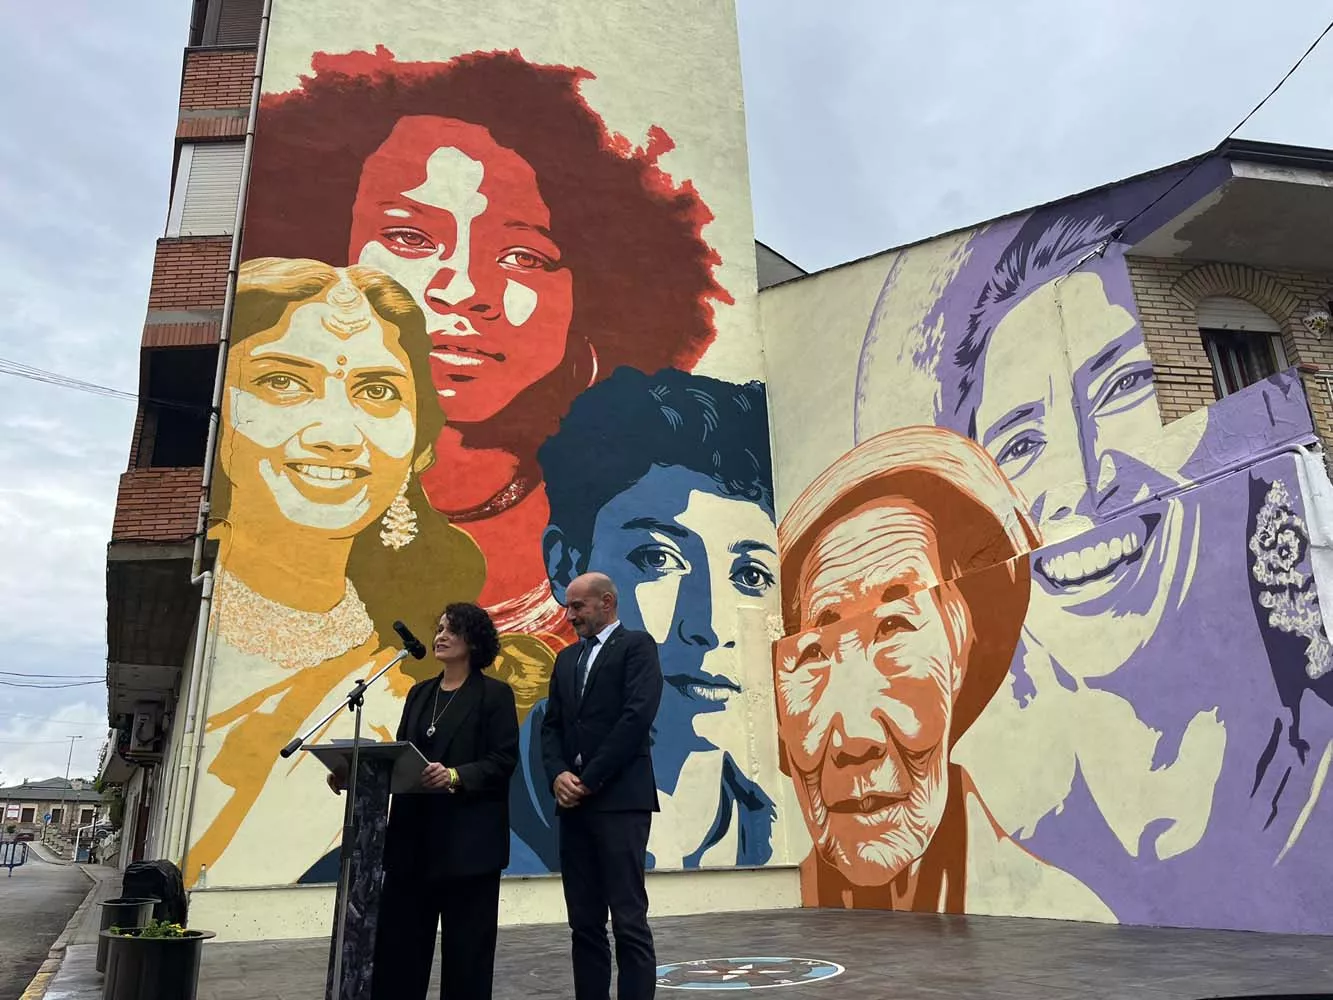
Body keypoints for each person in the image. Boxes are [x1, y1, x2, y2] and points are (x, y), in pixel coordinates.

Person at [242, 48, 732, 716]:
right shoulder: (273, 501)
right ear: (334, 250)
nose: (466, 288)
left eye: (522, 255)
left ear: (580, 300)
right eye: (411, 237)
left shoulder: (645, 517)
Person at [187, 258, 482, 888]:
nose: (336, 435)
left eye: (377, 392)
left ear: (419, 445)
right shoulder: (192, 621)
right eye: (283, 383)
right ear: (219, 419)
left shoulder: (397, 680)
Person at [775, 425, 1108, 919]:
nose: (854, 740)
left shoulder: (1070, 919)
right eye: (814, 655)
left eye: (893, 628)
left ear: (962, 653)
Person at [508, 367, 778, 872]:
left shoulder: (770, 828)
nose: (711, 627)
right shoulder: (500, 834)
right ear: (566, 565)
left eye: (750, 574)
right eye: (658, 560)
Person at [337, 602, 517, 1000]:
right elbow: (402, 758)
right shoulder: (420, 694)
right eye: (438, 628)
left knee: (466, 961)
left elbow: (503, 761)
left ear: (473, 640)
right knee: (399, 957)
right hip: (412, 846)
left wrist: (455, 775)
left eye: (452, 629)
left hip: (469, 850)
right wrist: (355, 775)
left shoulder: (494, 695)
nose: (440, 636)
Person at [541, 572, 663, 1000]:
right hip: (573, 806)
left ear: (606, 602)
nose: (569, 614)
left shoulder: (637, 647)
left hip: (619, 801)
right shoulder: (566, 661)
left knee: (628, 918)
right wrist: (557, 774)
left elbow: (636, 718)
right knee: (584, 922)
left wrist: (588, 780)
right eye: (568, 606)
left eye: (578, 606)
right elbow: (551, 726)